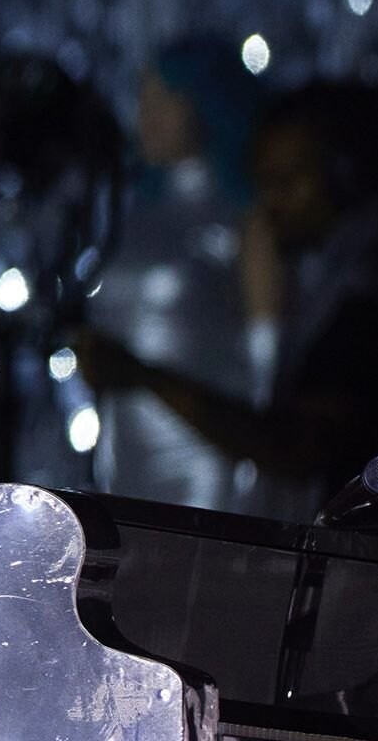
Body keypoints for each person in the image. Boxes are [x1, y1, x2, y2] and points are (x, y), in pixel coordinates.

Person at [79, 78, 378, 523]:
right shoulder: (332, 278)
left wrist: (145, 377)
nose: (270, 203)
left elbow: (296, 445)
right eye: (263, 184)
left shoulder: (371, 293)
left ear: (346, 175)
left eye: (286, 181)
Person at [88, 38, 266, 509]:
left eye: (167, 98)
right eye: (144, 98)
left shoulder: (242, 219)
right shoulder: (123, 215)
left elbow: (266, 360)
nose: (149, 115)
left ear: (208, 102)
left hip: (207, 455)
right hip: (123, 444)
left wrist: (257, 476)